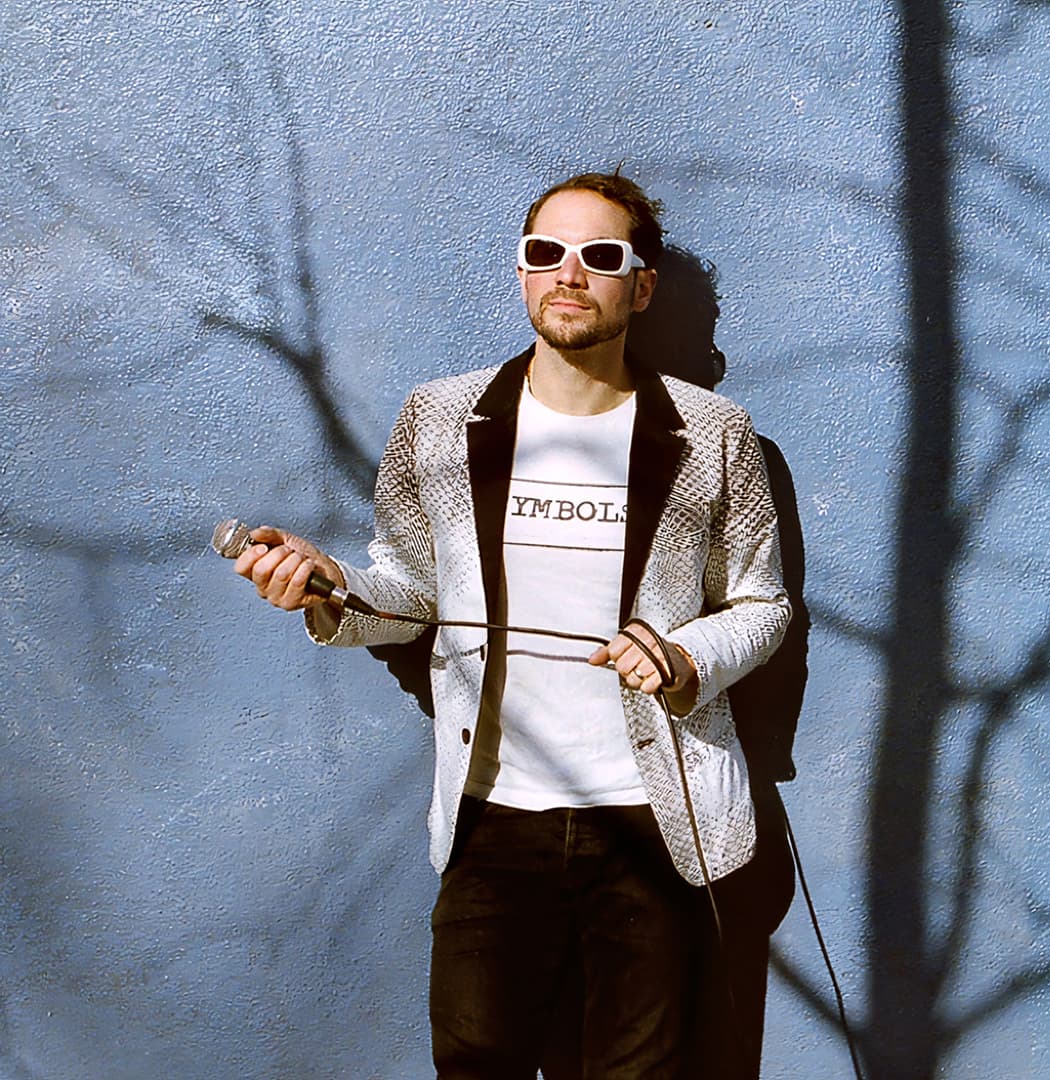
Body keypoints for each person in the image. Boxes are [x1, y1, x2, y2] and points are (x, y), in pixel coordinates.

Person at [231, 171, 792, 1079]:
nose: (569, 273)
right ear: (523, 272)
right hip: (493, 822)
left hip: (651, 824)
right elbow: (411, 593)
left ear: (640, 287)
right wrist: (330, 588)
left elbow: (763, 605)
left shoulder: (714, 433)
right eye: (546, 252)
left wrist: (684, 655)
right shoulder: (441, 420)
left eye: (600, 255)